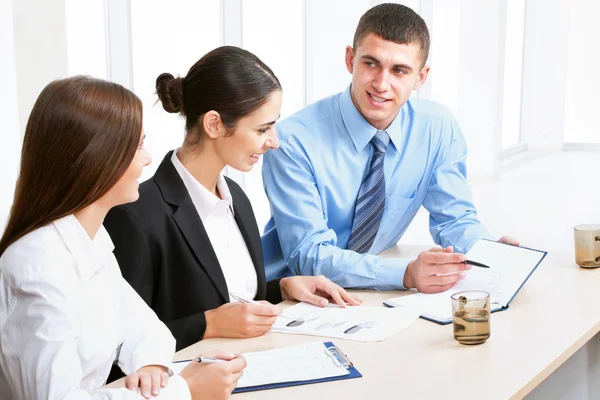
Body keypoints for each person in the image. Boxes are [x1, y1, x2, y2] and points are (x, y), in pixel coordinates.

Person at [0, 76, 246, 400]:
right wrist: (183, 390)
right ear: (98, 156)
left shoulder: (92, 241)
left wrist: (152, 367)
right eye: (139, 145)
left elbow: (146, 328)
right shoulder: (39, 266)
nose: (147, 159)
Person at [103, 46, 360, 352]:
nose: (274, 142)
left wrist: (282, 288)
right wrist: (207, 325)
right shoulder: (136, 215)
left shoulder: (236, 197)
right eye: (263, 128)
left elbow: (224, 297)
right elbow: (117, 345)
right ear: (214, 124)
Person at [261, 3, 519, 294]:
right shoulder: (293, 139)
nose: (382, 84)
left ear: (421, 78)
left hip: (370, 288)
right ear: (350, 59)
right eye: (371, 63)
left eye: (399, 70)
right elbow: (307, 256)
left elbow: (455, 219)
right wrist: (406, 274)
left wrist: (489, 253)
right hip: (285, 296)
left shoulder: (435, 128)